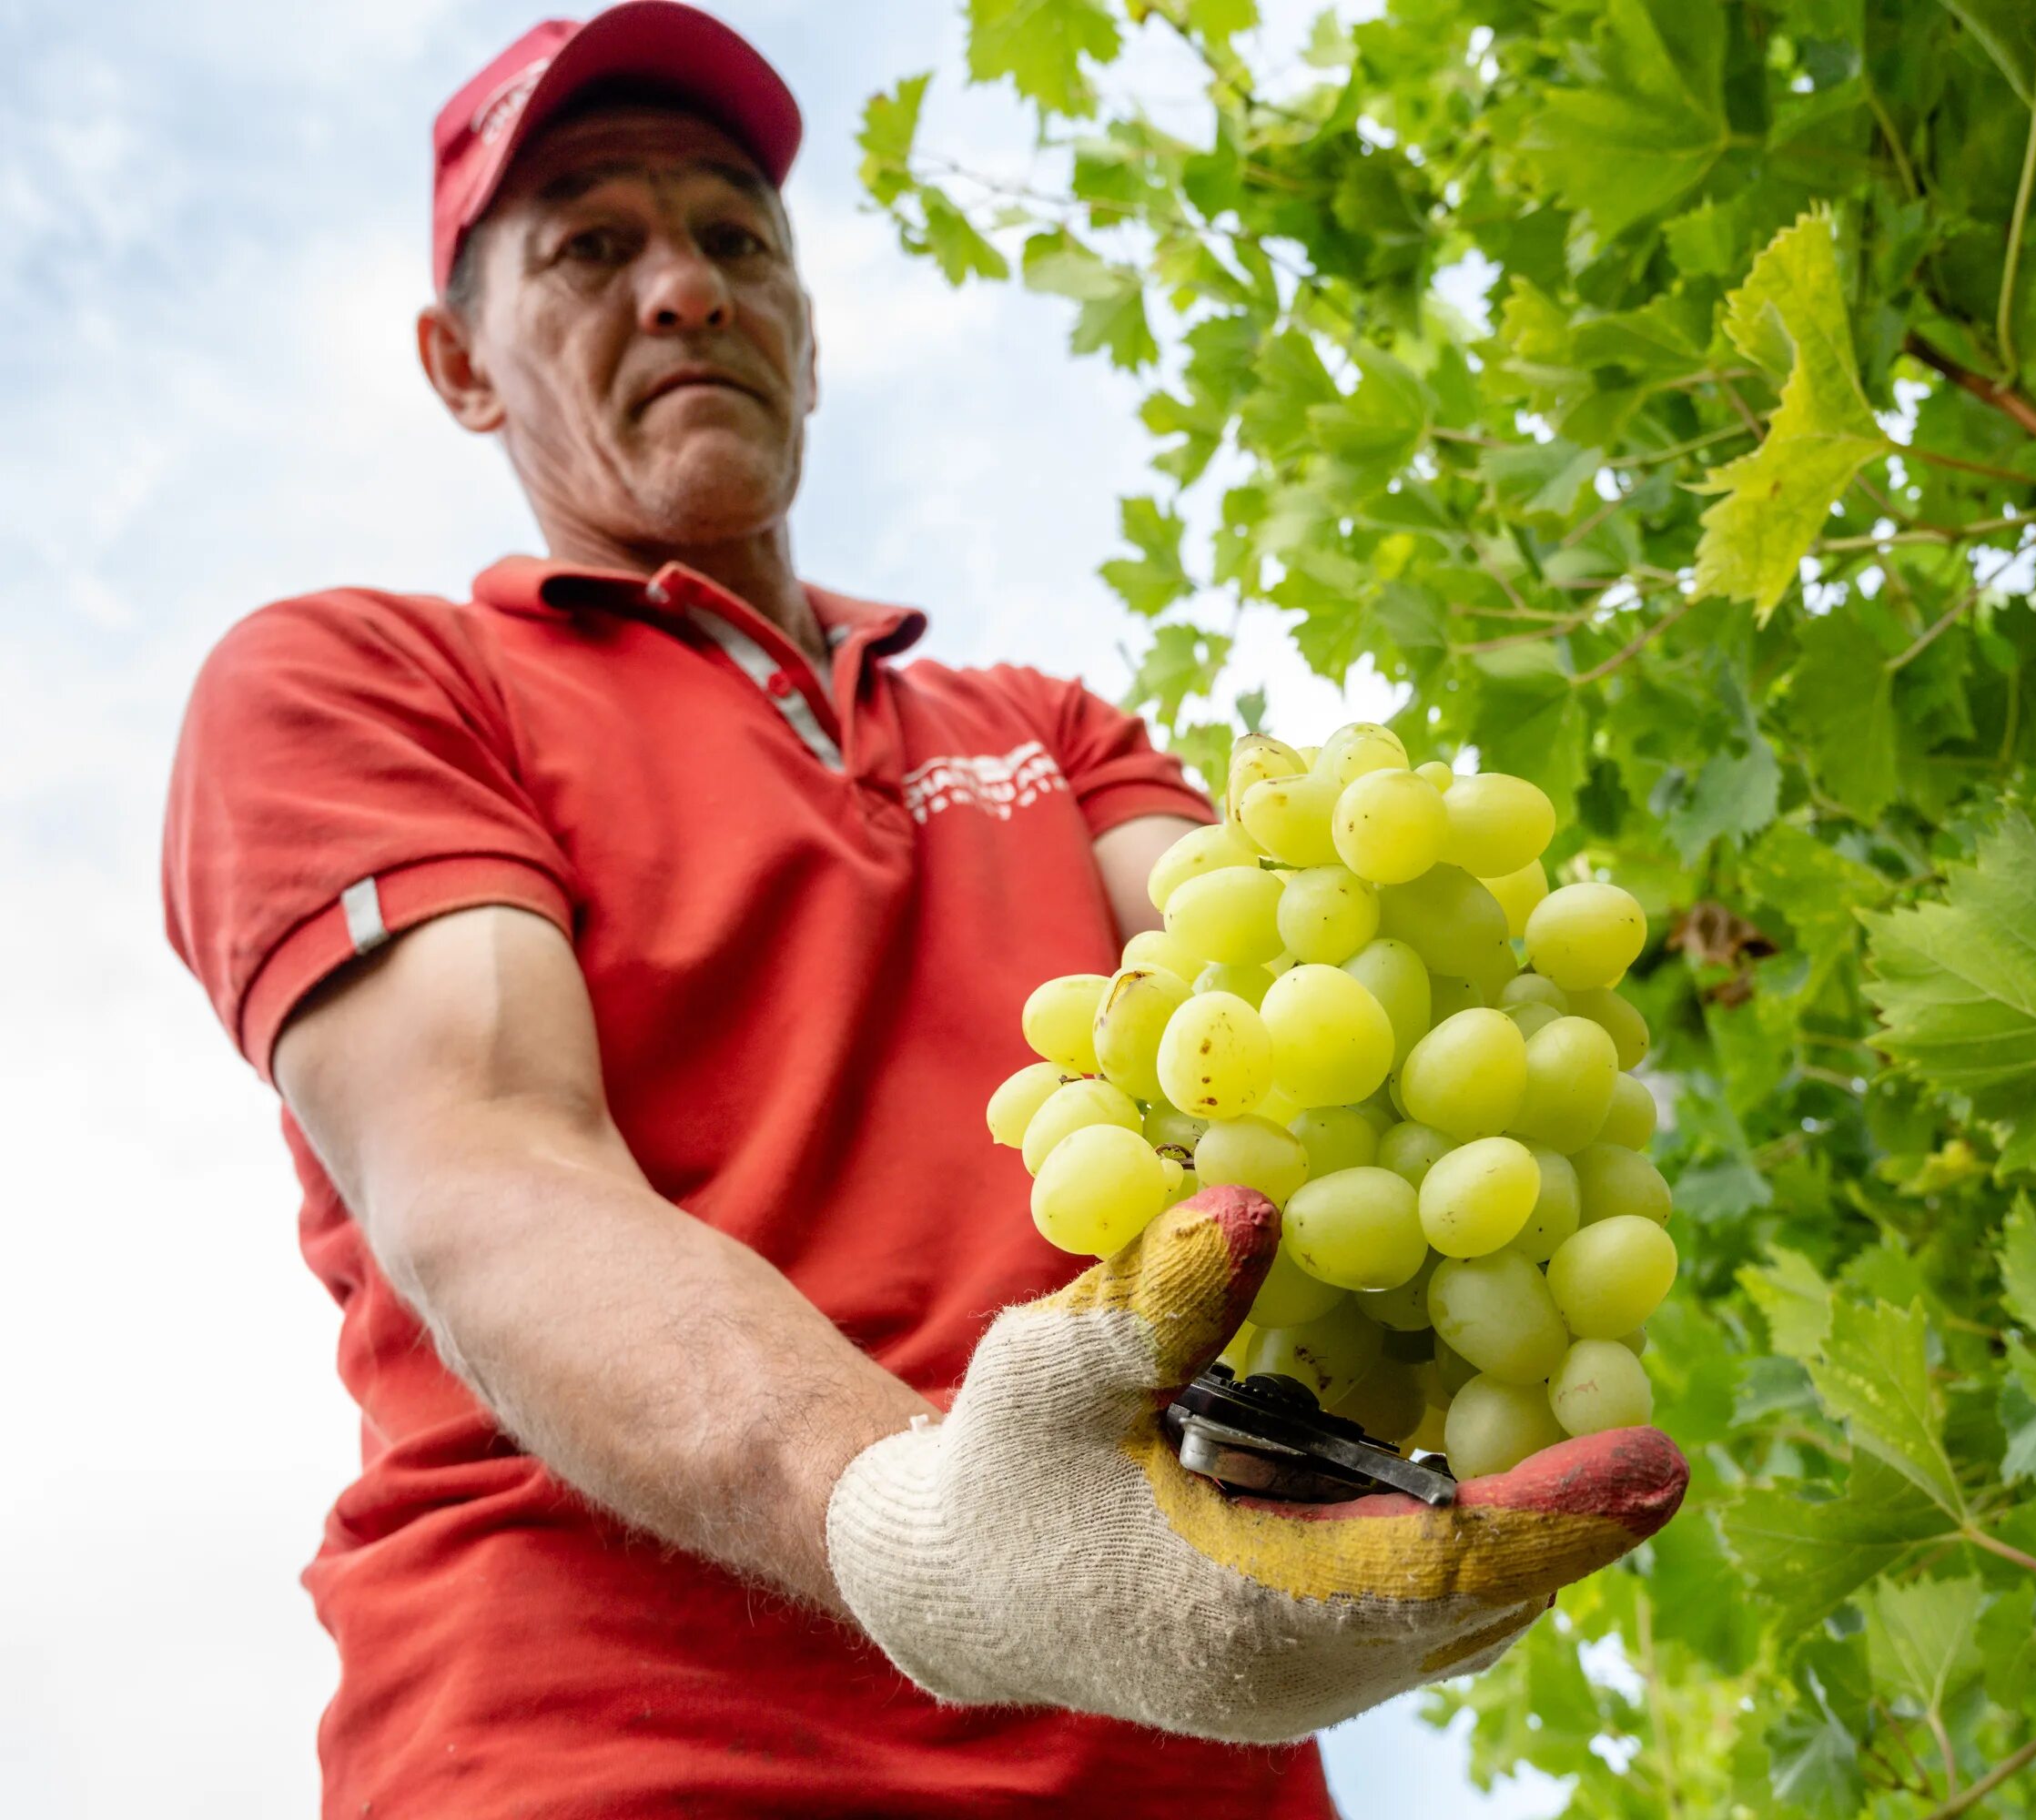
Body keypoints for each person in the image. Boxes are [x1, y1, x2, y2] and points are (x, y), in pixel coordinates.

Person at [158, 5, 1686, 1814]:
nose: (685, 290)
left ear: (808, 332)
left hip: (1179, 1763)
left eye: (738, 240)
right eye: (591, 245)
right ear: (460, 362)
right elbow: (487, 1162)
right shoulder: (365, 680)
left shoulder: (1048, 729)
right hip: (614, 1764)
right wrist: (906, 1518)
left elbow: (1291, 1048)